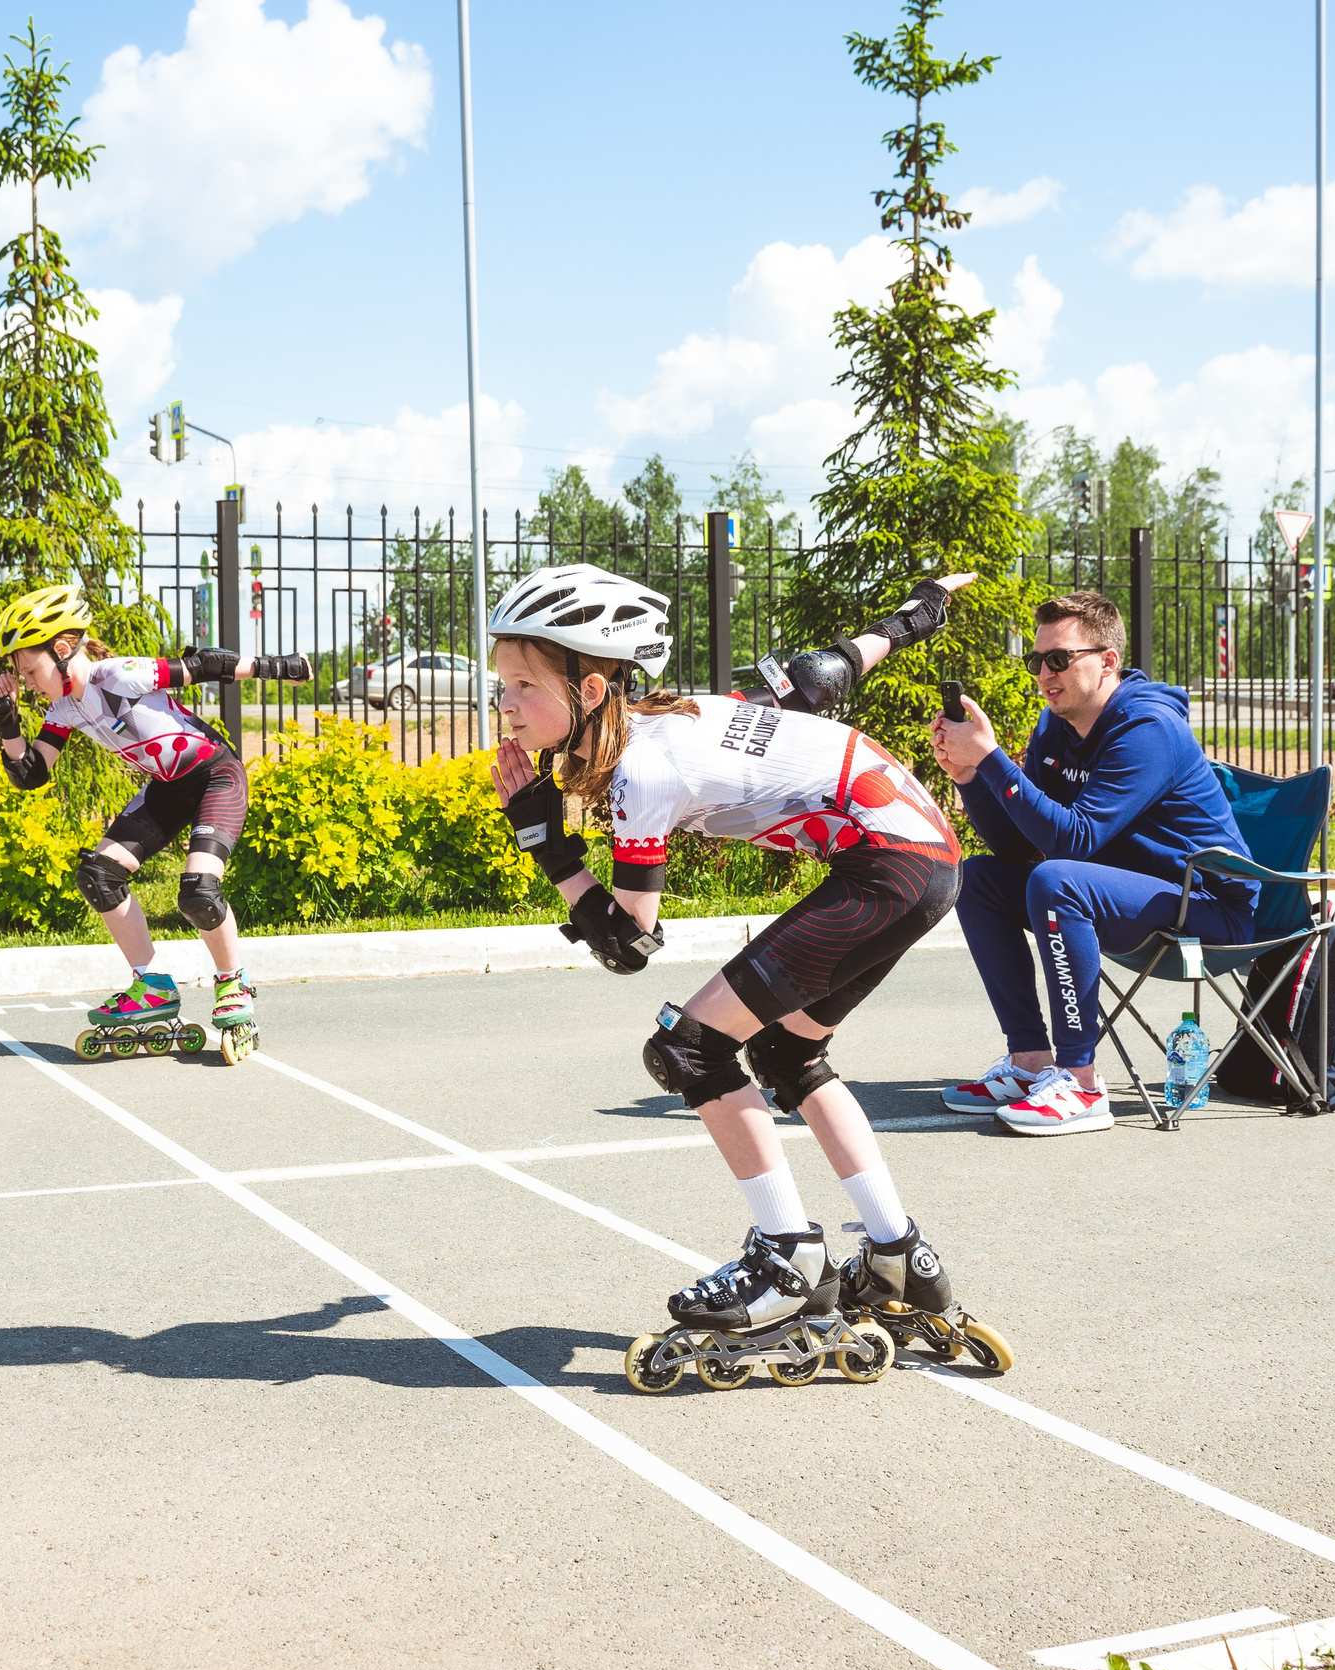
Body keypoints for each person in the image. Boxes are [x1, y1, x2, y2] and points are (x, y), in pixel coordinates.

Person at [487, 563, 1011, 1389]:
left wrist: (544, 842)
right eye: (499, 682)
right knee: (787, 1056)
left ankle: (789, 1258)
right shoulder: (682, 709)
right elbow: (827, 674)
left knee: (688, 1050)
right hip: (918, 856)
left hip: (887, 867)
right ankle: (898, 1253)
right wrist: (917, 615)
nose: (504, 703)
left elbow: (627, 943)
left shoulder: (642, 774)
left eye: (523, 682)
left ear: (591, 688)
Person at [929, 588, 1257, 1135]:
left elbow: (1073, 843)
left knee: (1058, 880)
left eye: (1059, 659)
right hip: (1126, 891)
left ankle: (1080, 1081)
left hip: (1205, 904)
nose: (1044, 673)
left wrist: (991, 758)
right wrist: (970, 778)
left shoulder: (1149, 728)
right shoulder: (1056, 726)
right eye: (1038, 660)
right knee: (981, 878)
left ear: (1108, 661)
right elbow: (1019, 847)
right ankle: (1030, 1062)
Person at [0, 584, 310, 1058]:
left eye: (31, 670)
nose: (29, 682)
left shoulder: (117, 675)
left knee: (198, 891)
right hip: (168, 790)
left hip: (216, 775)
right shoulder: (63, 709)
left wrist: (278, 668)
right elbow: (31, 774)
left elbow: (203, 666)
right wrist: (7, 722)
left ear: (61, 650)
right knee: (98, 875)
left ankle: (232, 984)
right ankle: (151, 985)